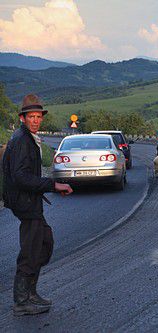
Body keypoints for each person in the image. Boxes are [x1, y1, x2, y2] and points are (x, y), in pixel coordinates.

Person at [2, 94, 73, 316]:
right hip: (25, 201)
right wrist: (53, 185)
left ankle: (30, 293)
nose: (35, 120)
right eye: (30, 116)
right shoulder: (22, 140)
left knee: (44, 243)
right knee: (31, 249)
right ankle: (22, 300)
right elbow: (21, 177)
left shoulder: (27, 137)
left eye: (38, 116)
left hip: (29, 200)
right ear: (22, 118)